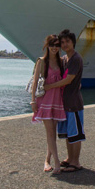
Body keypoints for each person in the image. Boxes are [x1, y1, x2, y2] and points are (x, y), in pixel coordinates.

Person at [44, 29, 85, 173]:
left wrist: (49, 86)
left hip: (74, 103)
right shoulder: (66, 59)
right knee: (69, 133)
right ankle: (69, 158)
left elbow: (68, 79)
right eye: (62, 42)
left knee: (76, 134)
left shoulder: (75, 59)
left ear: (73, 42)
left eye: (67, 41)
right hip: (65, 103)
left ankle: (76, 162)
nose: (65, 44)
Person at [31, 35, 66, 175]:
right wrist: (33, 100)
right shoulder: (42, 61)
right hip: (44, 100)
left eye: (57, 45)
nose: (54, 47)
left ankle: (47, 160)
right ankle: (56, 161)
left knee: (53, 133)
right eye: (52, 44)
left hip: (57, 100)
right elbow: (35, 82)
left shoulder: (61, 61)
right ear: (47, 46)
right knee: (50, 132)